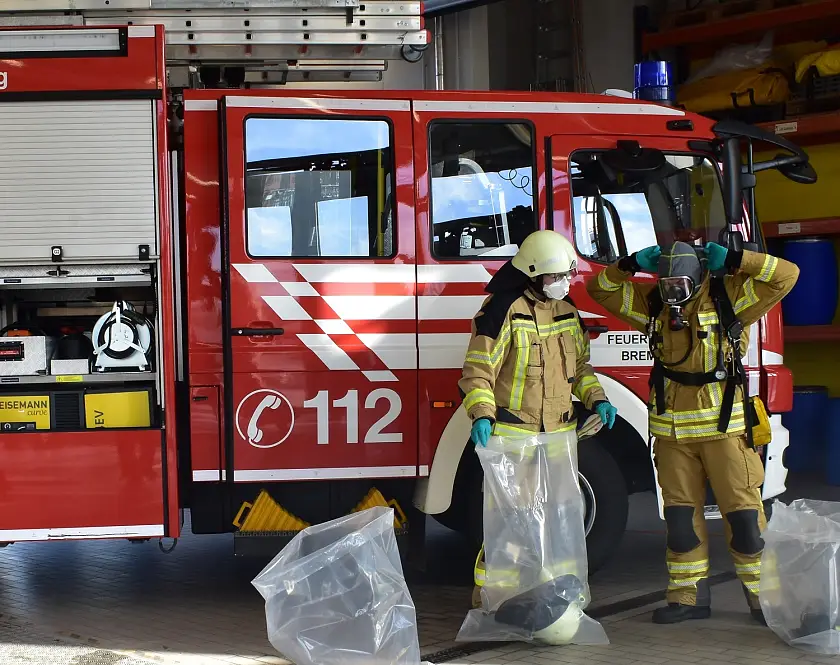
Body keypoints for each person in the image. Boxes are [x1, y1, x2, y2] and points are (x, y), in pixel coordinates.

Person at [587, 240, 799, 625]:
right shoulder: (653, 303)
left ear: (699, 277)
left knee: (746, 523)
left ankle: (765, 601)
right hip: (672, 436)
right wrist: (630, 263)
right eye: (668, 285)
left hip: (725, 433)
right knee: (681, 524)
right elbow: (600, 289)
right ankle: (687, 598)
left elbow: (787, 275)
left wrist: (736, 260)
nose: (674, 295)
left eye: (681, 286)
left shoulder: (732, 296)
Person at [458, 229, 618, 609]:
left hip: (560, 436)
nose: (564, 282)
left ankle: (557, 596)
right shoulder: (501, 312)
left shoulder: (567, 312)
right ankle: (493, 601)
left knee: (562, 519)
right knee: (512, 521)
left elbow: (580, 369)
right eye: (556, 276)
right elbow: (477, 372)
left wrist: (598, 399)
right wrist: (482, 413)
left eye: (566, 275)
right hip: (515, 435)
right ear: (532, 274)